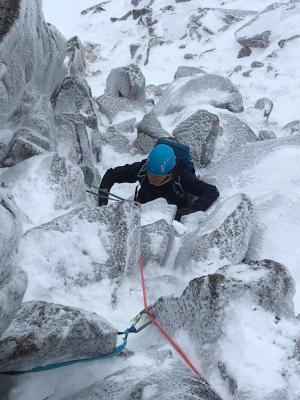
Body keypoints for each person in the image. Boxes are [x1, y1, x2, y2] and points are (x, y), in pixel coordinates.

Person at [98, 144, 219, 221]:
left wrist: (188, 211)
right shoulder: (144, 168)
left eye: (156, 175)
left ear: (169, 173)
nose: (150, 177)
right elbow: (112, 174)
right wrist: (103, 193)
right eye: (149, 172)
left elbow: (211, 192)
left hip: (168, 218)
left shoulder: (182, 178)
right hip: (141, 209)